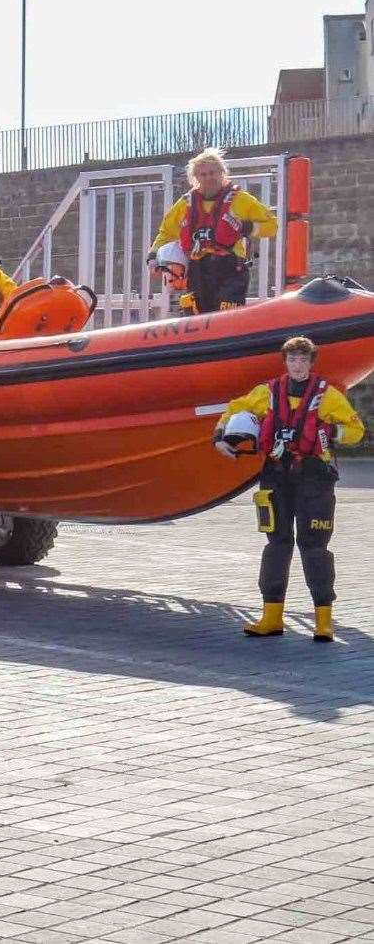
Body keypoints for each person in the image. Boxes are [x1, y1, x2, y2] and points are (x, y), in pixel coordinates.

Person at [215, 335, 364, 642]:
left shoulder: (328, 396)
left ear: (311, 363)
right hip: (276, 476)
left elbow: (356, 430)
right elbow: (234, 409)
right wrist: (219, 437)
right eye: (292, 360)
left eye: (303, 360)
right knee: (276, 545)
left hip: (315, 478)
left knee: (314, 547)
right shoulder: (267, 392)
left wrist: (330, 430)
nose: (298, 365)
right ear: (286, 363)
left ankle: (324, 619)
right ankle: (271, 617)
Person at [148, 147, 277, 315]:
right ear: (195, 178)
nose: (209, 177)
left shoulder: (241, 199)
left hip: (230, 269)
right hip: (197, 270)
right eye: (203, 174)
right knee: (195, 316)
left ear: (222, 173)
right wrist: (153, 256)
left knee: (228, 316)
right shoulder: (185, 203)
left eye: (213, 172)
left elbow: (272, 225)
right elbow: (166, 232)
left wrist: (249, 227)